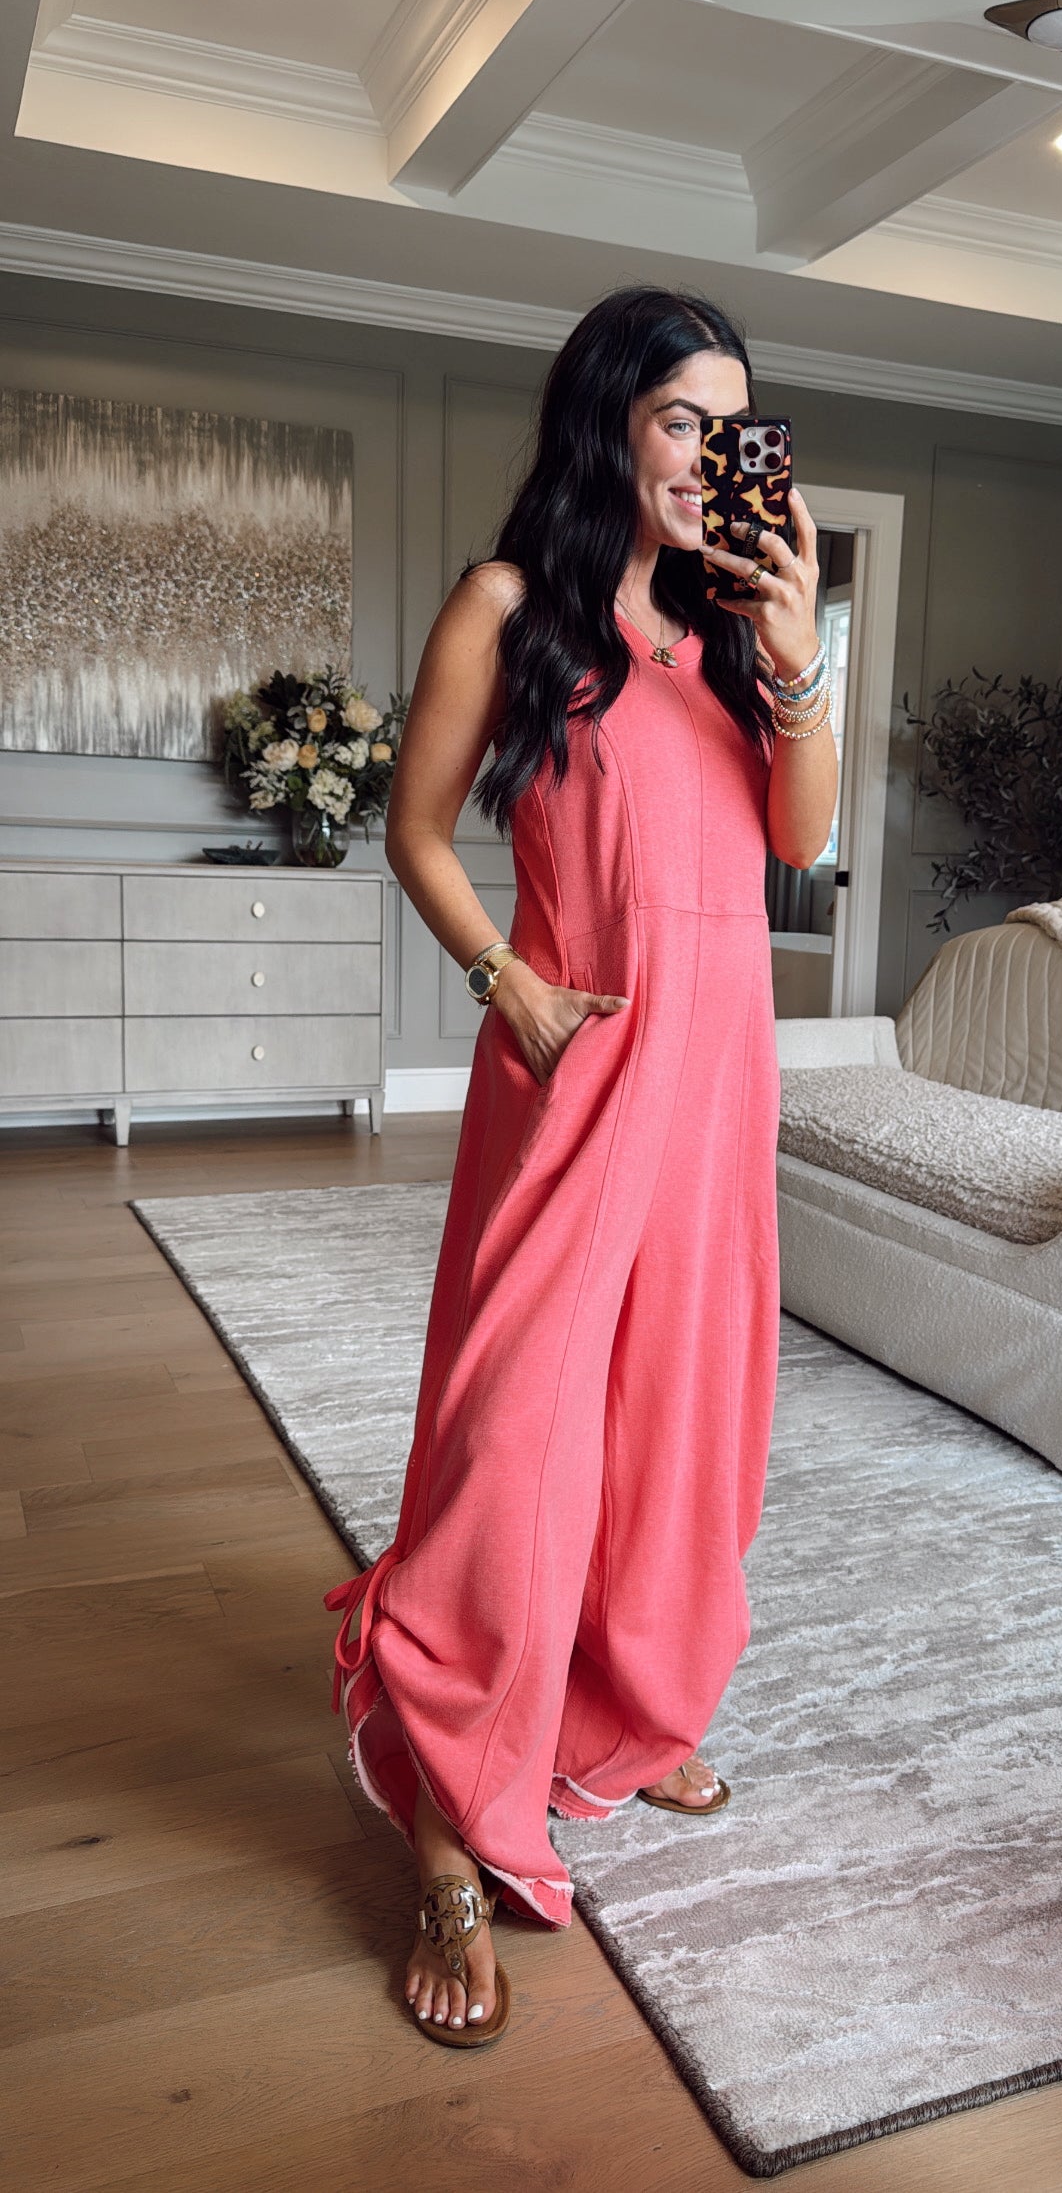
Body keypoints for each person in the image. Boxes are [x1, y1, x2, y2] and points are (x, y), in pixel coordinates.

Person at [322, 286, 838, 2048]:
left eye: (733, 427)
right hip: (573, 1061)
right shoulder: (508, 604)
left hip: (718, 1079)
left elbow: (797, 837)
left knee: (680, 1411)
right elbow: (414, 824)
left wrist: (799, 651)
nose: (710, 455)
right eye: (683, 419)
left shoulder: (735, 629)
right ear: (608, 420)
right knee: (515, 1433)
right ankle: (450, 1811)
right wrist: (509, 983)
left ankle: (623, 1704)